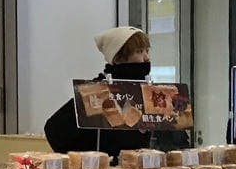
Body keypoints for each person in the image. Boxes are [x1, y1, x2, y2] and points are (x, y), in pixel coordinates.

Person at [44, 26, 188, 156]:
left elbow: (174, 137)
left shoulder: (149, 92)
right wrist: (85, 159)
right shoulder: (97, 91)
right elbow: (54, 129)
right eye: (139, 52)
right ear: (118, 58)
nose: (146, 58)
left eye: (147, 51)